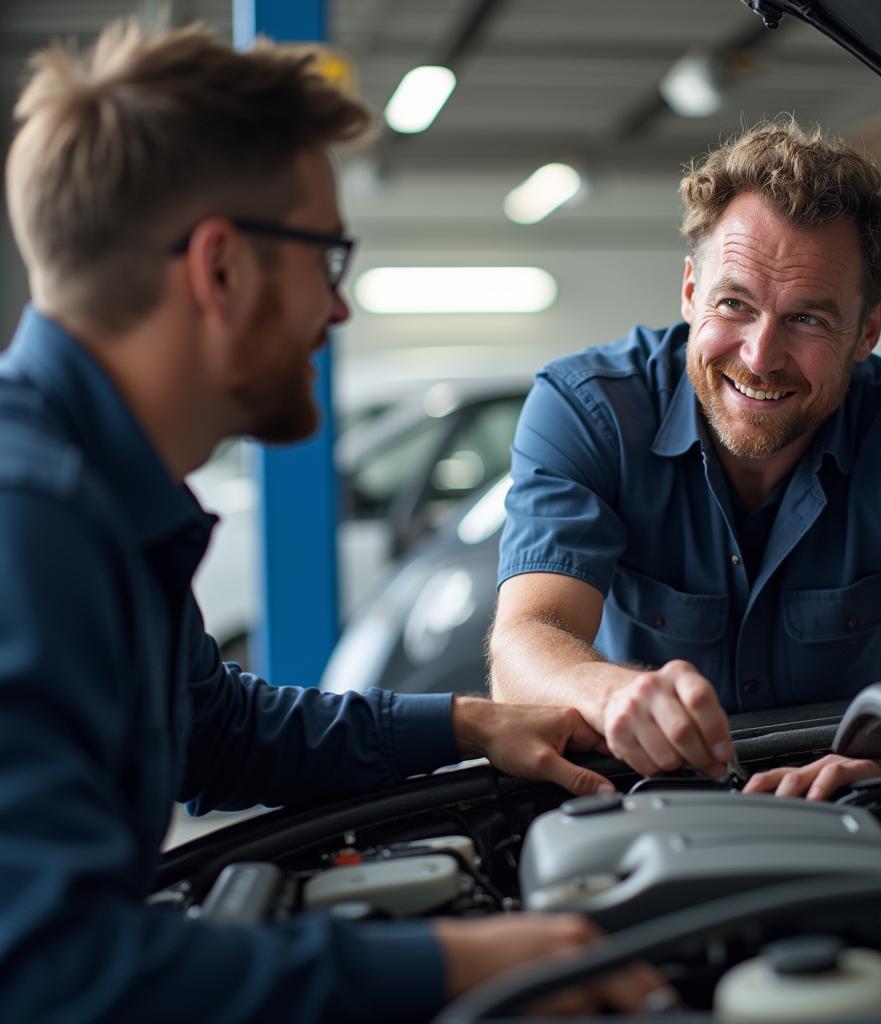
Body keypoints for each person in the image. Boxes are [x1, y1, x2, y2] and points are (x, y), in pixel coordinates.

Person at [0, 21, 665, 1023]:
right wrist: (446, 967)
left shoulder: (88, 490)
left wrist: (467, 722)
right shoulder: (28, 523)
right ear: (219, 268)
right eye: (328, 256)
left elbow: (212, 732)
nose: (338, 310)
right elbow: (50, 977)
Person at [489, 119, 881, 801]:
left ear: (869, 330)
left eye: (807, 319)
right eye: (734, 304)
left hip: (848, 792)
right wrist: (606, 691)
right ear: (690, 293)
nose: (759, 357)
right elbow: (526, 640)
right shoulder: (588, 411)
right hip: (637, 793)